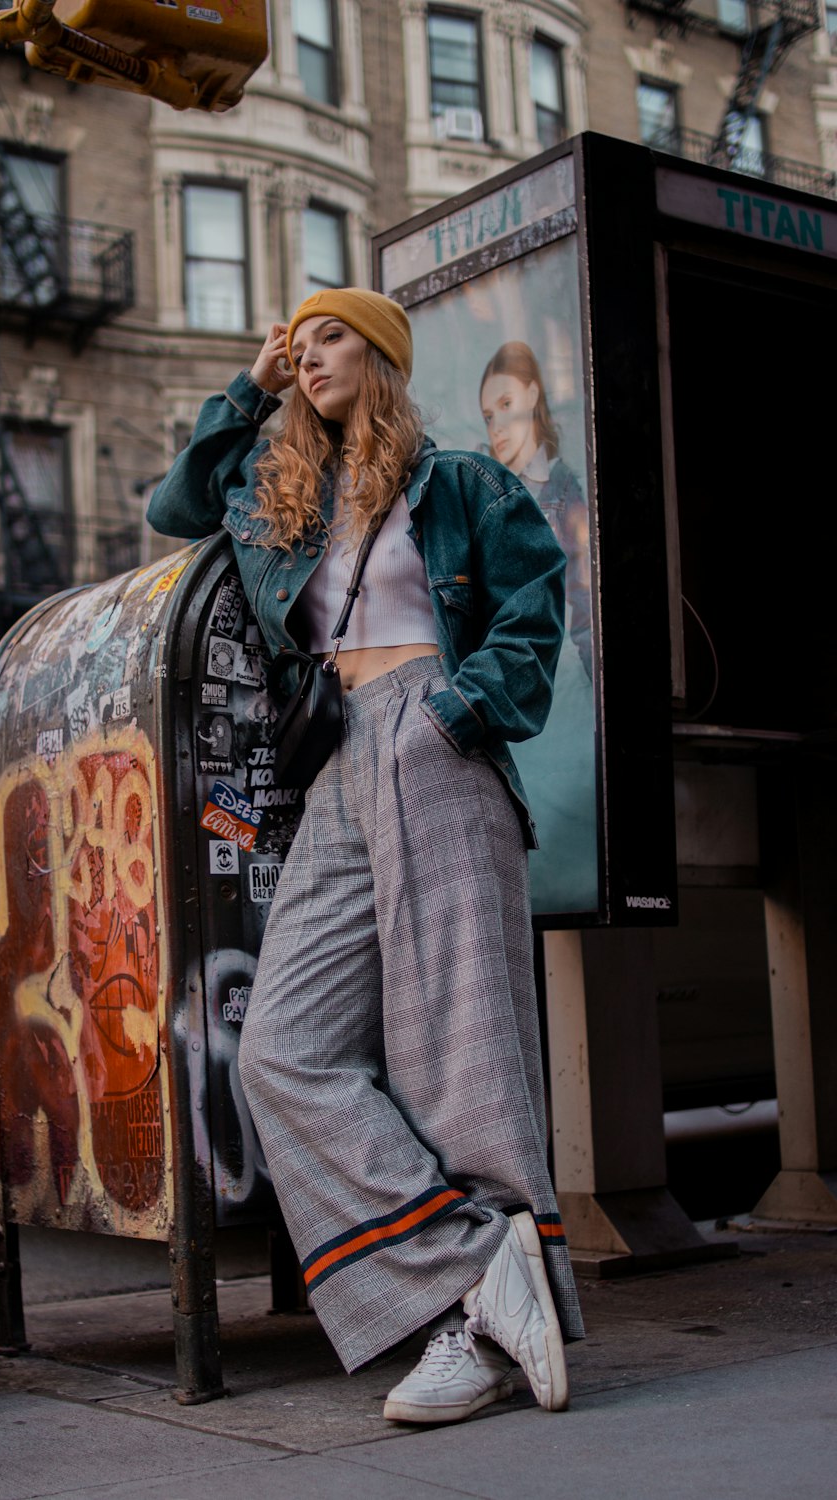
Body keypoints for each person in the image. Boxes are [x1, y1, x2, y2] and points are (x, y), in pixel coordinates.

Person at [147, 288, 584, 1425]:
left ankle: (469, 1336)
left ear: (382, 356)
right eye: (298, 341)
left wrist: (462, 710)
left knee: (458, 1050)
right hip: (338, 762)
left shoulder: (460, 484)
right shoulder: (283, 495)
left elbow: (536, 605)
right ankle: (472, 1267)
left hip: (432, 732)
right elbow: (176, 501)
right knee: (282, 1049)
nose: (309, 351)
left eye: (330, 334)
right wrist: (253, 386)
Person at [479, 341, 592, 681]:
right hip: (496, 676)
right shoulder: (483, 494)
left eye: (506, 403)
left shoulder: (561, 484)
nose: (497, 425)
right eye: (488, 416)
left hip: (554, 675)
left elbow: (584, 596)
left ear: (531, 395)